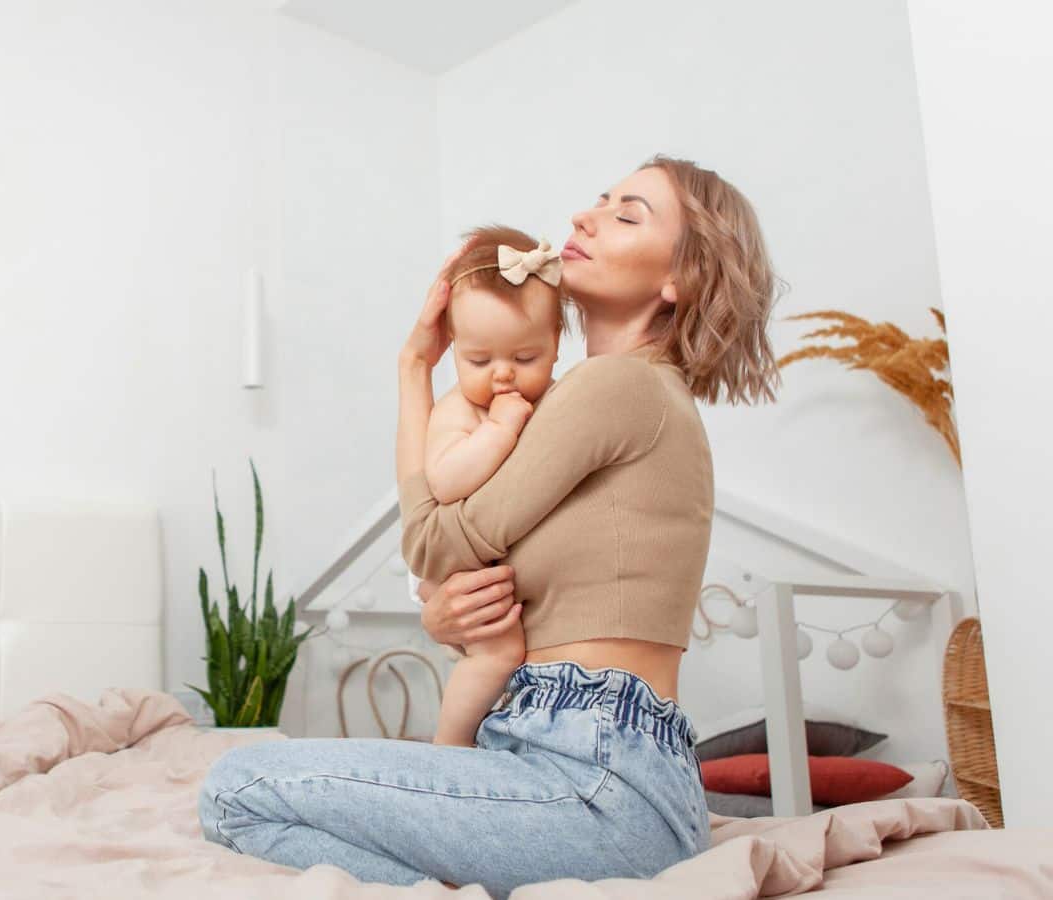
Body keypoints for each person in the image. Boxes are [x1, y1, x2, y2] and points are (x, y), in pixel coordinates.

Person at [197, 155, 780, 895]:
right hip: (565, 759)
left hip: (599, 778)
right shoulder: (572, 400)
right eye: (598, 198)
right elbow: (461, 563)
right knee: (254, 808)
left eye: (628, 214)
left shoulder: (620, 385)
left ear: (681, 281)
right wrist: (447, 616)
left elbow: (431, 537)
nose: (585, 216)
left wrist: (415, 372)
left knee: (234, 787)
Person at [418, 225, 565, 748]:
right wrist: (500, 429)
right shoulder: (461, 408)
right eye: (478, 361)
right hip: (465, 571)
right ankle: (450, 750)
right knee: (498, 654)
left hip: (501, 566)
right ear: (455, 349)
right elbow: (445, 479)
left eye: (526, 358)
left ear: (557, 345)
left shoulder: (562, 403)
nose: (502, 375)